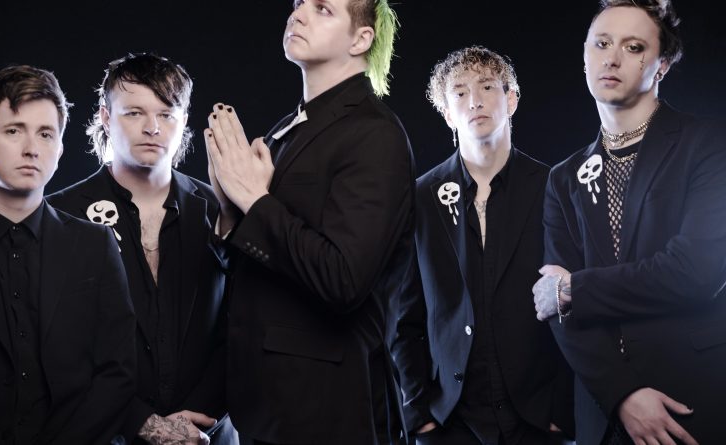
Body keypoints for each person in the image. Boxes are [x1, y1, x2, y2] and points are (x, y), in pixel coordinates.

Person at [203, 0, 414, 443]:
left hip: (327, 411)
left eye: (323, 9)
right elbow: (258, 271)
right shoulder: (287, 130)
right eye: (299, 3)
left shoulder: (376, 133)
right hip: (262, 409)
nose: (297, 15)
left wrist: (255, 200)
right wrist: (230, 212)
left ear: (361, 39)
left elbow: (343, 280)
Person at [533, 1, 726, 444]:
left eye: (634, 47)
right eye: (601, 44)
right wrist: (622, 394)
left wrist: (574, 289)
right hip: (602, 412)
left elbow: (695, 272)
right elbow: (556, 311)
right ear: (585, 56)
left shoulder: (708, 146)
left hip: (692, 399)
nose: (612, 58)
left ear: (662, 65)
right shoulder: (563, 178)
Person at [0, 65, 136, 444]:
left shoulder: (96, 244)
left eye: (45, 134)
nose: (31, 149)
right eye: (13, 131)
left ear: (60, 149)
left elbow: (116, 371)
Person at [48, 53, 235, 445]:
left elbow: (245, 324)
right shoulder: (60, 216)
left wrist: (199, 419)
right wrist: (143, 423)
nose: (153, 127)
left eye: (167, 114)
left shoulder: (221, 209)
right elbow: (58, 346)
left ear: (184, 120)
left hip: (209, 432)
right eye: (134, 113)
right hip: (106, 434)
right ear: (105, 117)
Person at [391, 46, 574, 445]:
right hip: (449, 421)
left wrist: (561, 411)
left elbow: (571, 303)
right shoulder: (420, 197)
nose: (474, 100)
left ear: (512, 99)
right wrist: (418, 415)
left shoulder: (553, 187)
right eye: (459, 92)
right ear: (447, 113)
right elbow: (403, 318)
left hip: (537, 419)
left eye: (487, 86)